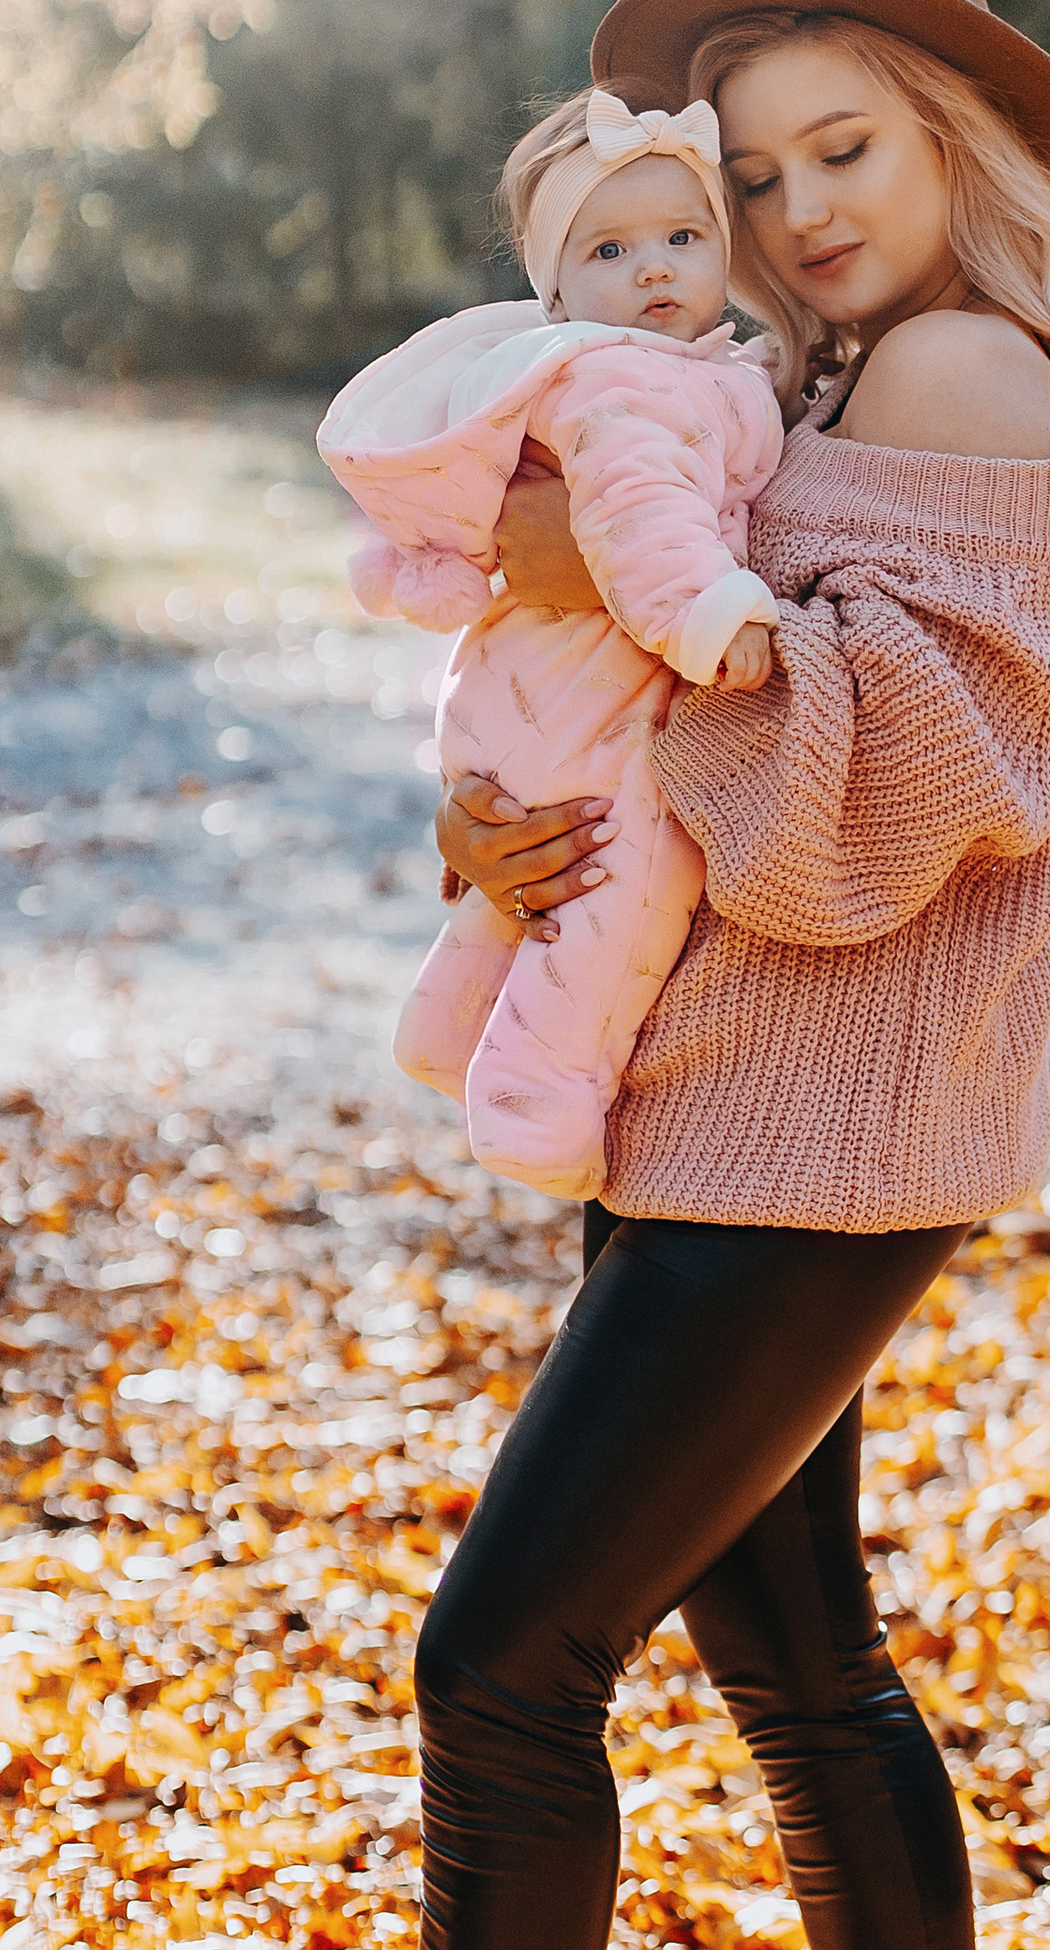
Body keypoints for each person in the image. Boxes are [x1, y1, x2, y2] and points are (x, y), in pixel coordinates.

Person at [241, 0, 1050, 1950]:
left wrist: (590, 601)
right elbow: (656, 703)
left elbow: (871, 797)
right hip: (744, 1111)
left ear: (959, 147)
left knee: (499, 1661)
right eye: (757, 175)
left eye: (845, 151)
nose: (797, 212)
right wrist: (513, 781)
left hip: (818, 1141)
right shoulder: (827, 384)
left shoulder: (961, 373)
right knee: (800, 1668)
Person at [318, 94, 781, 1201]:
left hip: (523, 689)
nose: (654, 267)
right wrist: (715, 619)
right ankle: (539, 1104)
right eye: (610, 250)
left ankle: (446, 1028)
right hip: (593, 695)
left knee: (534, 877)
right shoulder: (624, 378)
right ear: (557, 291)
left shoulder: (664, 369)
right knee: (622, 887)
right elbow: (639, 519)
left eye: (683, 236)